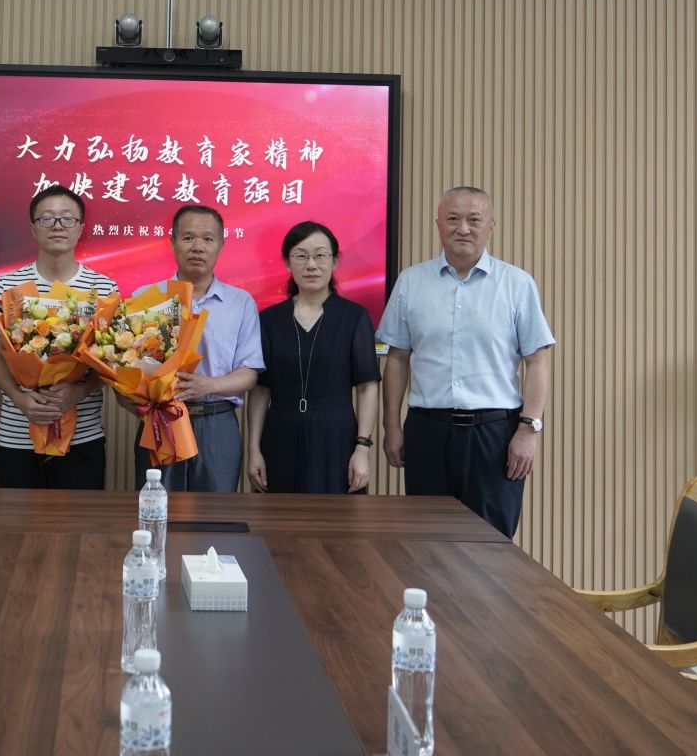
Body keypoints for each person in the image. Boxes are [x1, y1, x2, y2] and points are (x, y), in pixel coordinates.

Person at [376, 186, 554, 537]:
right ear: (438, 225)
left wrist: (528, 429)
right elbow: (396, 358)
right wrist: (392, 426)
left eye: (474, 220)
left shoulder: (516, 284)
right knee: (426, 543)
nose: (463, 229)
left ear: (491, 226)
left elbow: (538, 360)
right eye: (453, 219)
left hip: (494, 435)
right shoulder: (411, 282)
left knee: (490, 546)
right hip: (428, 432)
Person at [0, 184, 117, 489]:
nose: (57, 225)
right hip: (17, 435)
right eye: (47, 218)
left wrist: (79, 392)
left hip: (82, 436)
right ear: (33, 229)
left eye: (67, 218)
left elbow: (111, 364)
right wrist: (19, 398)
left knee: (79, 520)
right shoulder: (6, 285)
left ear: (80, 228)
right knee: (17, 520)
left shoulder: (103, 288)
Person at [129, 204, 263, 492]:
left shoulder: (241, 303)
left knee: (216, 513)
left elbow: (249, 373)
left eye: (208, 239)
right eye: (188, 238)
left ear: (221, 245)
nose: (198, 247)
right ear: (173, 242)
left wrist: (208, 385)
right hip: (160, 421)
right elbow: (125, 365)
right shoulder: (145, 298)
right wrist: (134, 400)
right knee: (158, 507)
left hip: (217, 423)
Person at [246, 221, 380, 495]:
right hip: (279, 435)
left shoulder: (354, 317)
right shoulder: (269, 320)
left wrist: (362, 448)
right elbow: (260, 389)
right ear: (287, 262)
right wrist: (254, 450)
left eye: (320, 255)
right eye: (301, 256)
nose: (311, 265)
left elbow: (367, 387)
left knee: (338, 517)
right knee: (276, 516)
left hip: (337, 436)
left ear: (334, 261)